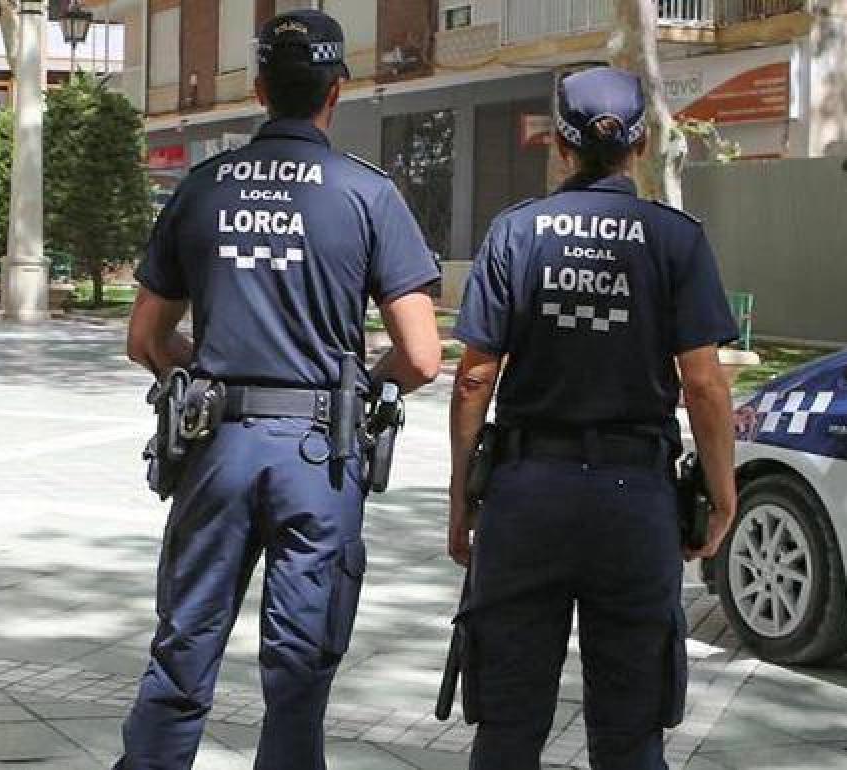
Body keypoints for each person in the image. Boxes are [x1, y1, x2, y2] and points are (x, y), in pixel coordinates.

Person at [117, 10, 442, 769]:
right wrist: (358, 386)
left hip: (215, 447)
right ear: (337, 90)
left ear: (259, 89)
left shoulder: (203, 188)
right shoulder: (367, 194)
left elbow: (146, 339)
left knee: (182, 651)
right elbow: (424, 357)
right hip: (317, 457)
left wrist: (210, 368)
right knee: (298, 671)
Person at [448, 66, 739, 770]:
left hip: (526, 496)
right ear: (641, 145)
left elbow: (476, 376)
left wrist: (463, 495)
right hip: (634, 502)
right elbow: (704, 385)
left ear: (560, 145)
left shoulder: (516, 232)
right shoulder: (675, 238)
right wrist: (723, 494)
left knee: (507, 726)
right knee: (632, 731)